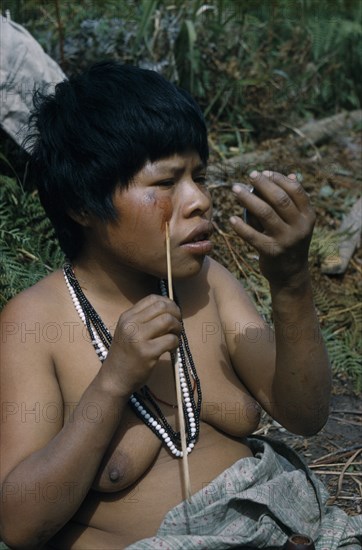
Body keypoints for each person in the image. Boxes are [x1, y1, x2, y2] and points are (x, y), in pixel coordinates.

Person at [0, 61, 360, 550]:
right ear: (83, 205)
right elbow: (20, 524)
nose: (199, 200)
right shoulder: (37, 322)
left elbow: (306, 414)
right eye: (166, 183)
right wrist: (113, 381)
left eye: (199, 176)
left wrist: (292, 284)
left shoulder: (206, 286)